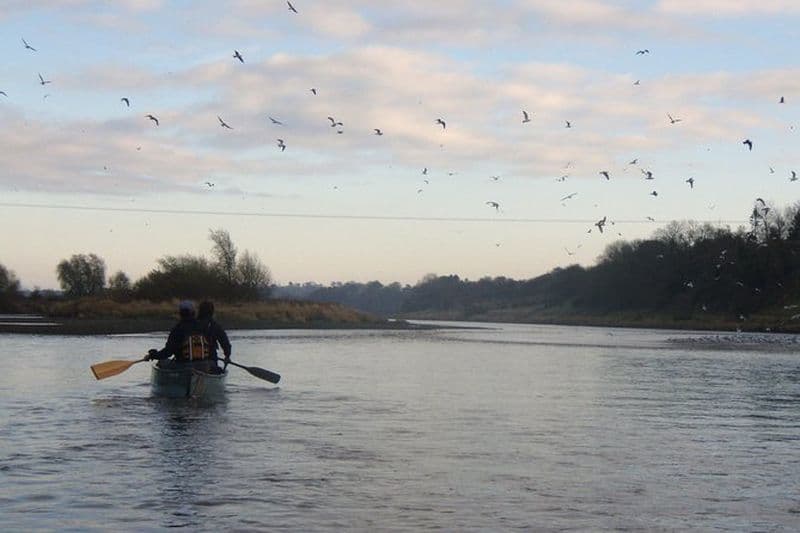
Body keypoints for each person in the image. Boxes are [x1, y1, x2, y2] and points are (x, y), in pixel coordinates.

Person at [146, 300, 215, 372]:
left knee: (161, 362)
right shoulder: (204, 327)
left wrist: (153, 355)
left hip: (183, 366)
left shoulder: (177, 329)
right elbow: (212, 349)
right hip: (204, 366)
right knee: (213, 365)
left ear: (180, 313)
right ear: (193, 313)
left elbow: (167, 352)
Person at [197, 300, 231, 371]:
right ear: (212, 312)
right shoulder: (215, 326)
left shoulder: (191, 324)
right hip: (210, 361)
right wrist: (227, 356)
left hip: (188, 362)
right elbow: (225, 343)